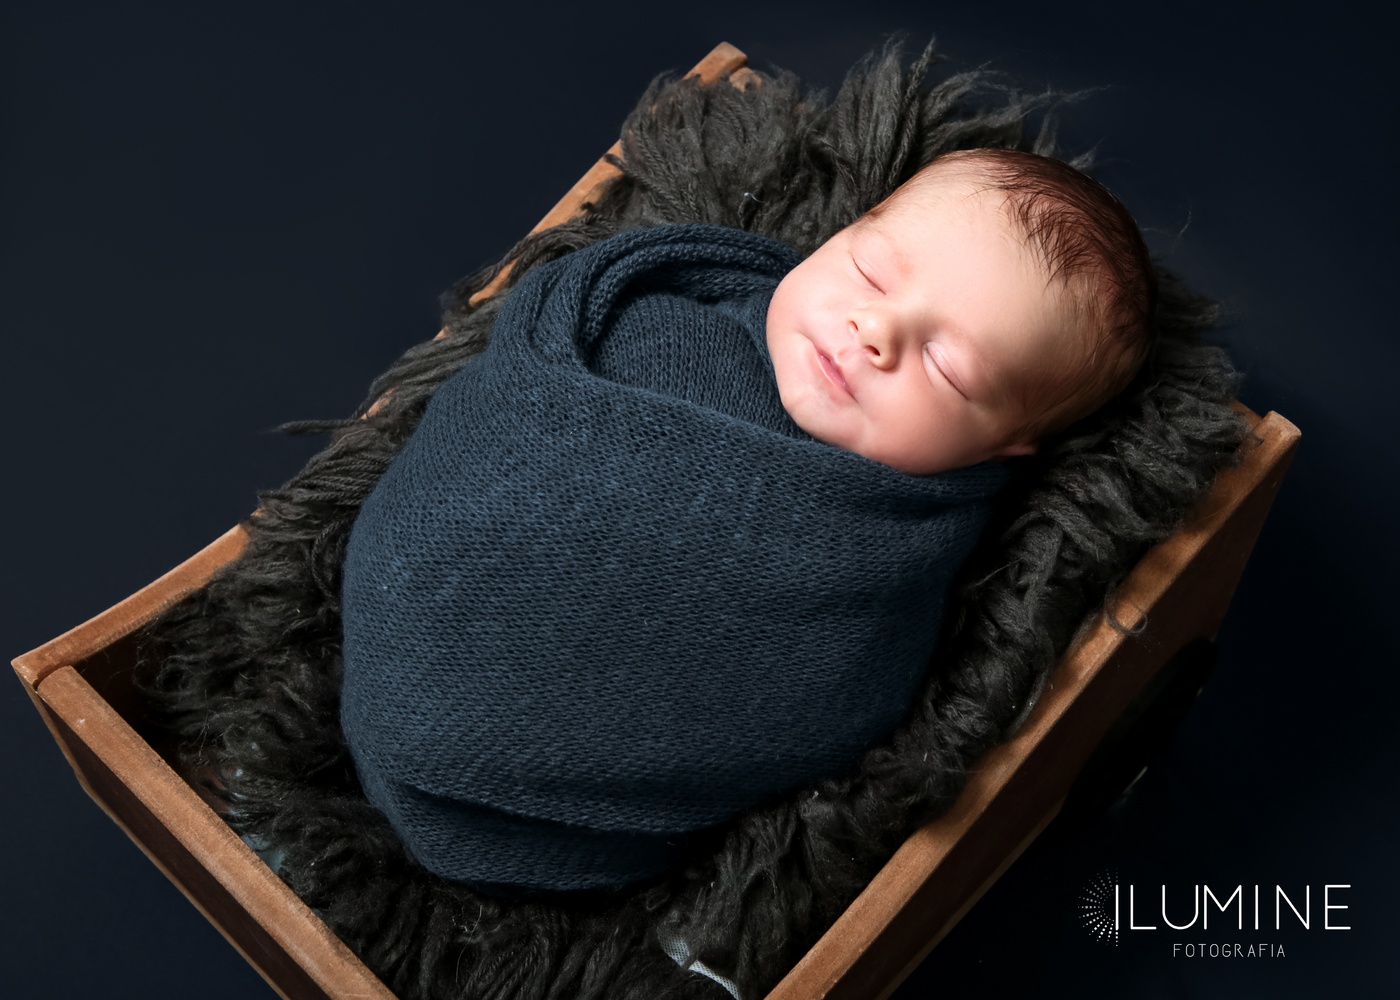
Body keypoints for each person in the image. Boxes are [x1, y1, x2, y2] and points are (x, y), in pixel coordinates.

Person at [338, 147, 1157, 894]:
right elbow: (491, 435)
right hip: (399, 618)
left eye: (948, 366)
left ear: (1008, 444)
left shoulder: (890, 556)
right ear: (837, 235)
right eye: (870, 272)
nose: (875, 331)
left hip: (557, 828)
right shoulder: (659, 321)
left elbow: (836, 698)